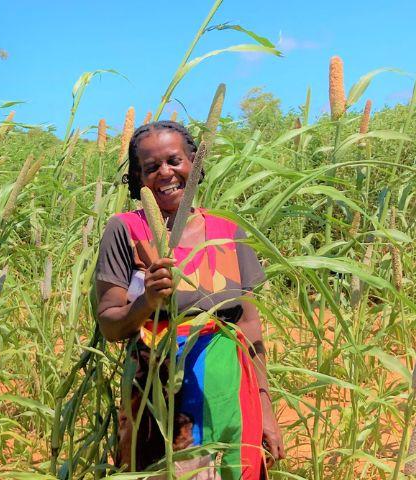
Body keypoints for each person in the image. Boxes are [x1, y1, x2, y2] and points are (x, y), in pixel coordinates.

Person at [93, 121, 284, 479]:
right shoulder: (126, 230)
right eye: (151, 167)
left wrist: (265, 404)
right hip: (157, 396)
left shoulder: (228, 230)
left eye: (174, 160)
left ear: (194, 163)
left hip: (229, 393)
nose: (165, 172)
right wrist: (147, 301)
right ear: (138, 177)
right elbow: (109, 322)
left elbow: (249, 323)